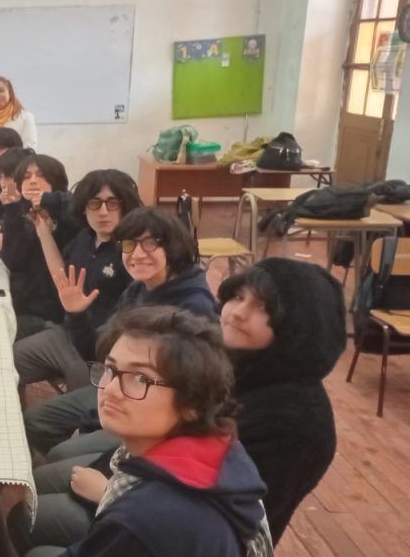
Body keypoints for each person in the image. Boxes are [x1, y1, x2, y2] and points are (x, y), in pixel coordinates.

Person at [21, 306, 273, 557]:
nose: (110, 389)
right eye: (110, 369)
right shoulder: (221, 445)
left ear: (192, 404)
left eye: (141, 378)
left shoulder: (144, 518)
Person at [22, 206, 217, 456]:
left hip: (152, 416)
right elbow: (100, 353)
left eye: (150, 243)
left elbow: (190, 391)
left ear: (173, 247)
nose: (138, 254)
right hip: (118, 388)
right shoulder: (139, 289)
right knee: (35, 421)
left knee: (62, 455)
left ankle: (96, 468)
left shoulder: (194, 306)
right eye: (129, 244)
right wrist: (76, 314)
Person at [218, 257, 343, 544]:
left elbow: (223, 520)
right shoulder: (243, 369)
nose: (238, 313)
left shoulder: (293, 425)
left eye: (262, 307)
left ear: (297, 326)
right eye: (238, 297)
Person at [13, 169, 142, 393]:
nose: (103, 212)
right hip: (66, 335)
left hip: (100, 352)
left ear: (125, 206)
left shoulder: (133, 251)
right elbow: (63, 279)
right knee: (6, 365)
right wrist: (44, 233)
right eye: (94, 204)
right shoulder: (85, 238)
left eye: (112, 203)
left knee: (77, 400)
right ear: (84, 208)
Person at [0, 153, 81, 338]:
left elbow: (80, 207)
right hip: (26, 308)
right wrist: (11, 208)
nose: (33, 181)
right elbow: (13, 260)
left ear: (57, 181)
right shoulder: (24, 213)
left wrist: (49, 199)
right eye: (26, 177)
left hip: (56, 316)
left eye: (41, 175)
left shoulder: (67, 212)